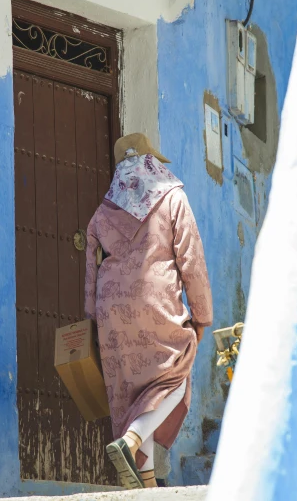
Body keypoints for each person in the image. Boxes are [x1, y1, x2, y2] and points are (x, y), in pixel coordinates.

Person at [84, 132, 213, 489]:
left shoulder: (101, 214)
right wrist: (201, 316)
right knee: (175, 375)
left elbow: (90, 273)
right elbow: (191, 259)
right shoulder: (173, 198)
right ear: (151, 162)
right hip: (154, 303)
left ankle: (146, 483)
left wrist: (91, 320)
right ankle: (131, 440)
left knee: (134, 393)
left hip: (111, 314)